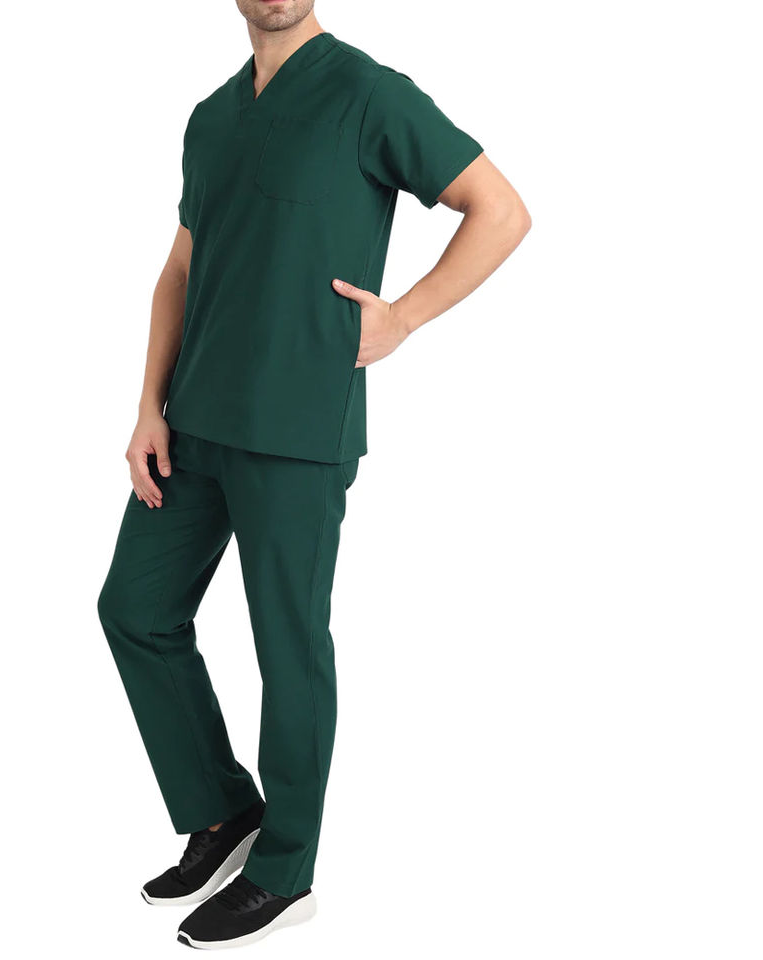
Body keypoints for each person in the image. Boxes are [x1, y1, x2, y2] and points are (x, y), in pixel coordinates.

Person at [97, 0, 530, 949]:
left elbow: (501, 210)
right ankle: (223, 809)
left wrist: (404, 316)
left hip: (296, 427)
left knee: (287, 648)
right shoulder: (212, 116)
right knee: (134, 610)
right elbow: (180, 270)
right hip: (192, 422)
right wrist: (147, 406)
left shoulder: (370, 94)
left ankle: (285, 870)